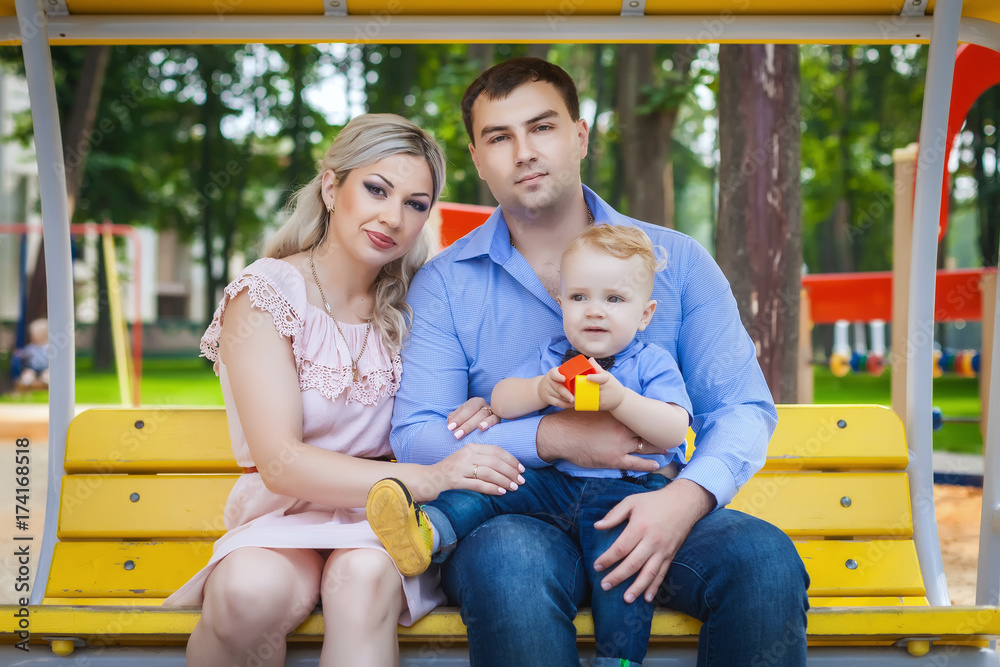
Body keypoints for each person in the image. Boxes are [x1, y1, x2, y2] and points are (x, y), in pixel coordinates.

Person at [390, 58, 810, 665]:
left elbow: (741, 408)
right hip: (520, 517)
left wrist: (686, 499)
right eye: (499, 138)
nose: (524, 152)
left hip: (650, 502)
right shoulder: (446, 284)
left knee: (764, 562)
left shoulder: (678, 261)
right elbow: (419, 434)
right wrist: (554, 436)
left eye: (542, 128)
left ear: (579, 136)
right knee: (505, 564)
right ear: (478, 161)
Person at [163, 113, 523, 667]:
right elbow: (281, 463)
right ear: (332, 186)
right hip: (283, 513)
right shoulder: (266, 295)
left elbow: (449, 408)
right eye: (376, 189)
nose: (393, 217)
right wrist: (429, 477)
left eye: (415, 203)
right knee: (245, 594)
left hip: (386, 523)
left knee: (362, 579)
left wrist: (477, 408)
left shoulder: (417, 303)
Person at [369, 224, 692, 666]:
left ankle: (620, 660)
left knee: (624, 569)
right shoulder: (555, 358)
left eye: (614, 299)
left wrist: (622, 400)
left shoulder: (651, 362)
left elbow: (673, 430)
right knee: (498, 485)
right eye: (579, 298)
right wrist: (540, 391)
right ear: (561, 304)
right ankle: (428, 531)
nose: (594, 311)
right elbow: (502, 398)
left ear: (645, 313)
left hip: (626, 495)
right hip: (556, 483)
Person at [13, 318, 50, 389]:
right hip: (32, 368)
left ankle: (46, 383)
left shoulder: (48, 347)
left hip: (45, 368)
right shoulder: (31, 347)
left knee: (47, 374)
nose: (32, 336)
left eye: (34, 334)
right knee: (28, 374)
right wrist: (19, 354)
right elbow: (24, 353)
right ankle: (26, 384)